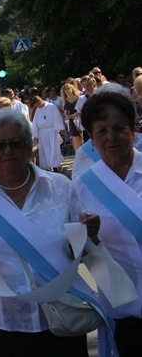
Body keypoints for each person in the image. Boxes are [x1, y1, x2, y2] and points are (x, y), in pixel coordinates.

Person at [0, 109, 99, 356]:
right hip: (4, 325)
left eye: (16, 143)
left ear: (30, 147)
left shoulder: (60, 187)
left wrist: (89, 233)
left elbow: (80, 252)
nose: (8, 151)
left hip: (63, 319)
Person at [73, 86, 142, 355]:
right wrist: (85, 235)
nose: (111, 137)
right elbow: (71, 252)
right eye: (102, 130)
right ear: (91, 136)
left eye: (119, 128)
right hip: (123, 309)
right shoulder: (82, 187)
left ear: (133, 129)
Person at [31, 93, 65, 172]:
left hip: (52, 131)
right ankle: (47, 167)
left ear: (40, 101)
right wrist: (36, 135)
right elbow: (35, 122)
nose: (38, 106)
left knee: (54, 149)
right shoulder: (37, 110)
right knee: (45, 150)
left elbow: (57, 117)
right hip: (42, 132)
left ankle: (55, 166)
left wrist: (59, 129)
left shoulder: (51, 106)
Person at [62, 81, 83, 152]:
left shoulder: (78, 97)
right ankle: (78, 154)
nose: (67, 91)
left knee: (83, 138)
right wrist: (70, 116)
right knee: (75, 138)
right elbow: (66, 113)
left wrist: (77, 114)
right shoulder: (66, 101)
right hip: (72, 121)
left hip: (80, 119)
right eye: (65, 89)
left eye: (68, 88)